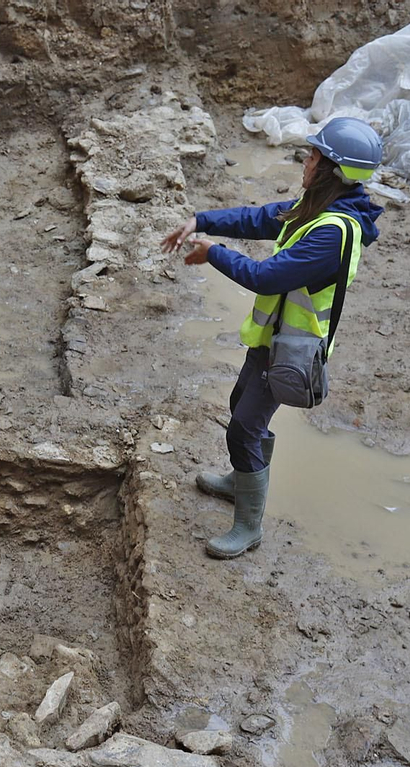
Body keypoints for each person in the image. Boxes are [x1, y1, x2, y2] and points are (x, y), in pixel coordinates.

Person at [161, 116, 384, 559]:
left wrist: (213, 253)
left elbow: (266, 277)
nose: (306, 160)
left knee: (244, 427)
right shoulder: (320, 206)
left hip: (291, 349)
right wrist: (201, 220)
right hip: (272, 339)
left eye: (315, 155)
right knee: (240, 409)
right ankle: (240, 481)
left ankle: (249, 525)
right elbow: (262, 218)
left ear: (332, 169)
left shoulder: (332, 234)